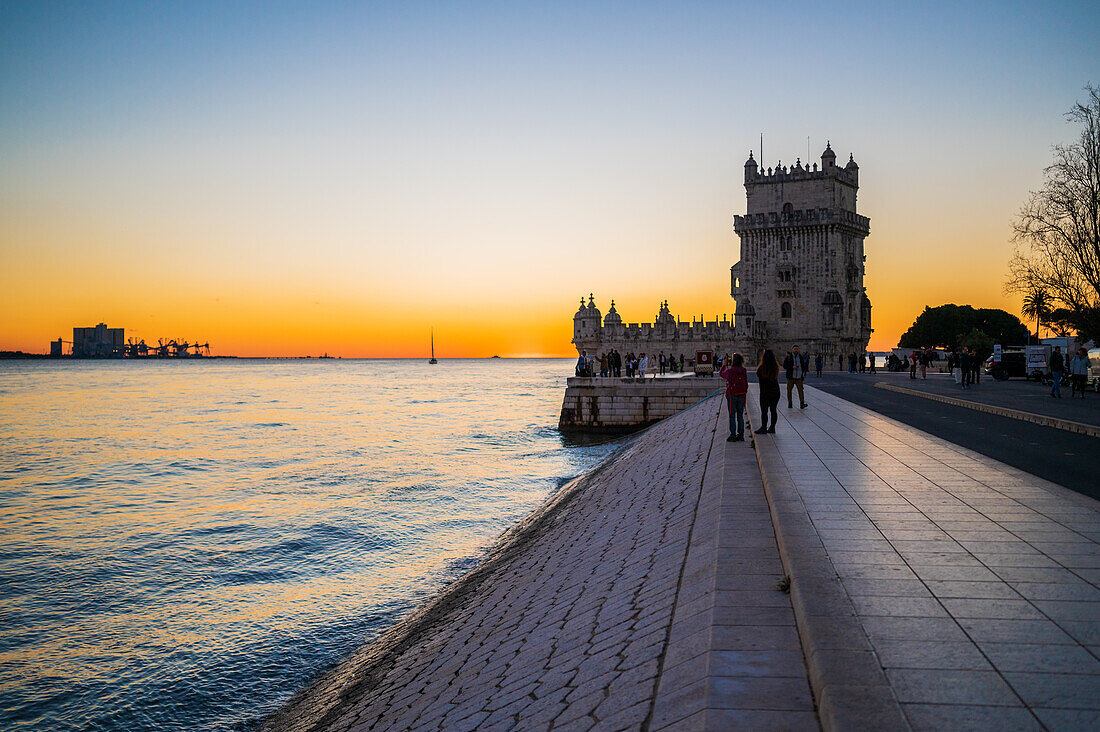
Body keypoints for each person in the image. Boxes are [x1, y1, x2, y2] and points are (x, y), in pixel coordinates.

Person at [719, 353, 748, 441]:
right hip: (742, 394)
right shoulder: (744, 370)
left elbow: (721, 374)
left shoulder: (730, 371)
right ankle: (741, 434)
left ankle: (733, 434)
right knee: (740, 415)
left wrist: (723, 365)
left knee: (732, 415)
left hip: (732, 395)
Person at [755, 349, 781, 434]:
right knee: (773, 410)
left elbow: (758, 374)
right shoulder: (775, 367)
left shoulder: (762, 368)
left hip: (765, 392)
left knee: (764, 411)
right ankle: (772, 427)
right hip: (775, 391)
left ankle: (763, 427)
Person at [783, 345, 809, 409]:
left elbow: (803, 366)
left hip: (798, 377)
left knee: (801, 390)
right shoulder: (788, 357)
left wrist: (803, 374)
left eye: (797, 349)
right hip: (791, 377)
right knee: (789, 390)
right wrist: (792, 367)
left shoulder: (800, 357)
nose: (796, 350)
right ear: (792, 349)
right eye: (795, 349)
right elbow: (784, 366)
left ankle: (802, 403)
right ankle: (790, 403)